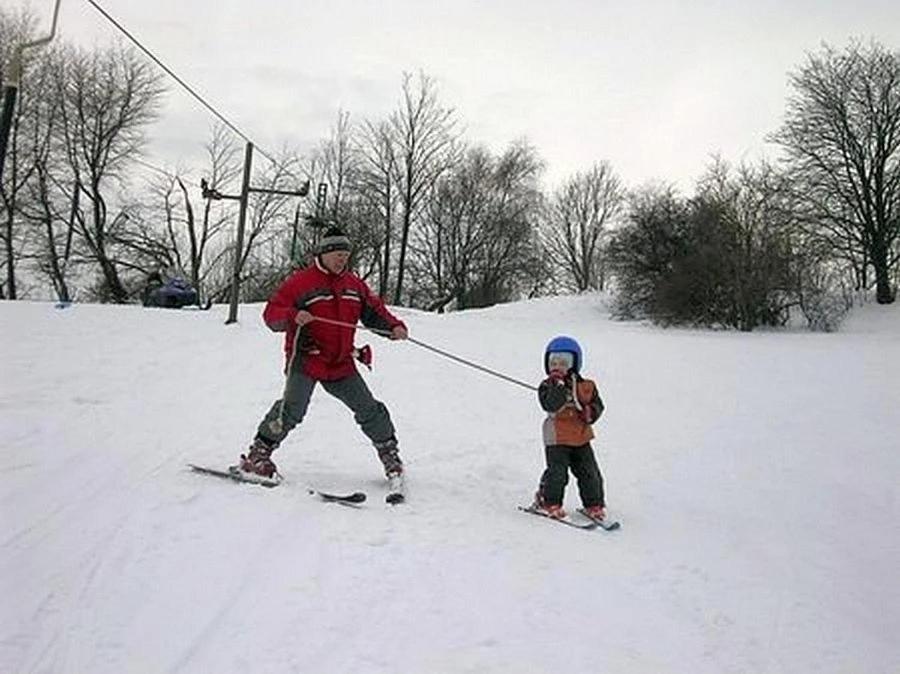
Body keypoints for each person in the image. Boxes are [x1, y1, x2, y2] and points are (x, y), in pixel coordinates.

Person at [237, 226, 408, 484]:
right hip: (306, 360)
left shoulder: (354, 285)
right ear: (324, 253)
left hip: (341, 362)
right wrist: (294, 315)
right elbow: (271, 314)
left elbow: (374, 312)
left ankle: (390, 455)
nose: (343, 259)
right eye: (338, 253)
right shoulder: (300, 283)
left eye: (346, 255)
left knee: (369, 408)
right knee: (292, 409)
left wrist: (393, 327)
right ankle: (258, 455)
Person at [531, 335, 607, 520]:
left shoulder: (587, 386)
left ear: (575, 363)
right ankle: (549, 501)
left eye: (564, 362)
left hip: (581, 436)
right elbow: (551, 405)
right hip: (557, 437)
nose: (558, 366)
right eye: (553, 362)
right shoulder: (546, 386)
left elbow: (598, 405)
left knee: (589, 472)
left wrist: (590, 412)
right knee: (558, 473)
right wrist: (557, 386)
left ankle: (593, 504)